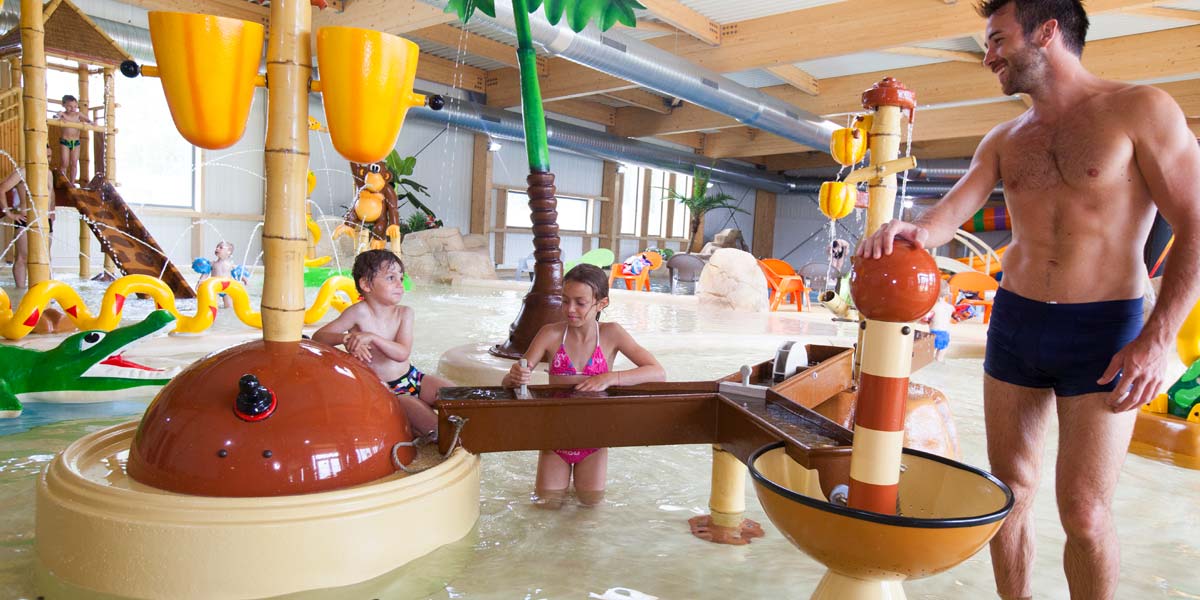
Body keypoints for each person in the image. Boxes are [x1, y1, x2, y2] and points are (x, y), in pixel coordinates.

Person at [856, 2, 1200, 598]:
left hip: (1105, 331)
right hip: (1015, 322)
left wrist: (1158, 337)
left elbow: (1195, 221)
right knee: (1007, 492)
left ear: (1047, 32)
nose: (988, 56)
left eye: (997, 40)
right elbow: (946, 215)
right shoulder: (1005, 137)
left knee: (1085, 515)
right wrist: (911, 231)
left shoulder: (1139, 109)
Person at [503, 264, 666, 508]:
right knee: (546, 507)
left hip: (594, 438)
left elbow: (657, 372)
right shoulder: (550, 334)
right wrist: (515, 377)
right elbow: (509, 383)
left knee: (589, 510)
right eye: (565, 301)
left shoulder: (612, 334)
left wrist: (610, 378)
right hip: (554, 437)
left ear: (601, 303)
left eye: (580, 302)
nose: (570, 309)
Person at [313, 250, 450, 440]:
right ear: (366, 284)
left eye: (401, 278)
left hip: (413, 378)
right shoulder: (358, 313)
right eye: (391, 278)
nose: (399, 285)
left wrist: (371, 337)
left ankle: (415, 426)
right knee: (439, 429)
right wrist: (345, 339)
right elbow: (318, 337)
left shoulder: (404, 313)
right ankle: (416, 427)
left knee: (461, 399)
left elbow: (402, 353)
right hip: (387, 391)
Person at [195, 241, 247, 309]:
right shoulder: (212, 263)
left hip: (227, 288)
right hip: (215, 288)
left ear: (228, 252)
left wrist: (244, 279)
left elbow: (237, 274)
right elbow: (205, 274)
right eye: (217, 247)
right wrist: (199, 282)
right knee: (214, 305)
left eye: (221, 247)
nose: (217, 249)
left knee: (229, 306)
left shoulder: (231, 265)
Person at [56, 95, 92, 184]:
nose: (73, 109)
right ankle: (62, 181)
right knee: (65, 163)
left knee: (74, 163)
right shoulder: (63, 114)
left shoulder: (78, 114)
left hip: (76, 142)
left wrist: (92, 123)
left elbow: (88, 120)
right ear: (63, 105)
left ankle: (72, 183)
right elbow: (57, 116)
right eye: (70, 106)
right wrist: (59, 117)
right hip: (65, 142)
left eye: (75, 106)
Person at [924, 281, 954, 362]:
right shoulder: (950, 307)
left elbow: (925, 319)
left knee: (927, 358)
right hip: (946, 335)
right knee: (939, 359)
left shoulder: (933, 307)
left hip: (933, 334)